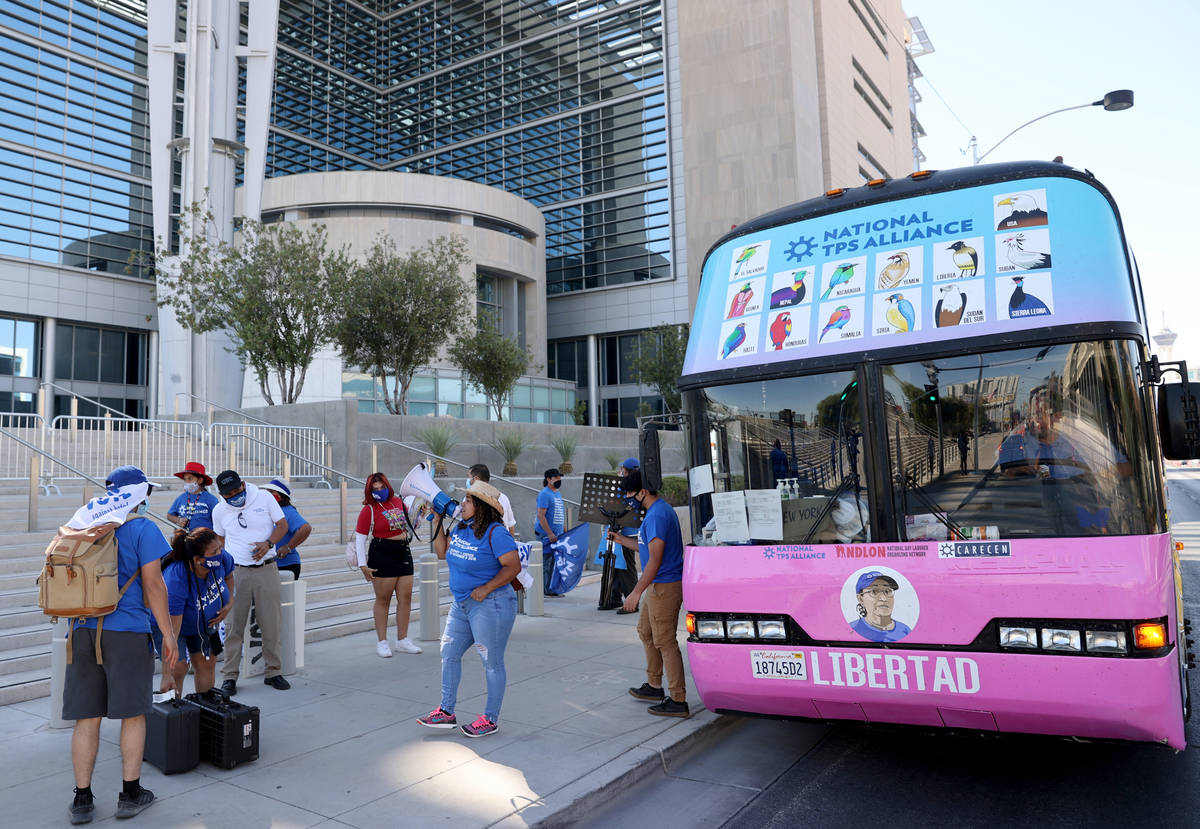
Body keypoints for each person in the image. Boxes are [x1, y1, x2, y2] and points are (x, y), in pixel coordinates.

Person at [64, 465, 177, 823]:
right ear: (138, 496)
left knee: (87, 717)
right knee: (132, 714)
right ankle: (130, 794)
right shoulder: (142, 527)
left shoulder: (82, 525)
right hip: (126, 631)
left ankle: (82, 799)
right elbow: (155, 586)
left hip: (81, 629)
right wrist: (168, 635)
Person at [417, 480, 520, 737]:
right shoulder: (462, 528)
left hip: (491, 605)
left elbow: (513, 566)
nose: (462, 504)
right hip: (461, 604)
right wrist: (436, 520)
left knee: (491, 662)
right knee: (448, 652)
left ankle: (490, 719)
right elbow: (442, 553)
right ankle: (446, 711)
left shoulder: (496, 533)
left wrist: (486, 588)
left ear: (482, 507)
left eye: (468, 501)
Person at [607, 470, 689, 718]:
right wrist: (622, 540)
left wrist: (635, 593)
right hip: (657, 585)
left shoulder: (656, 516)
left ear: (643, 492)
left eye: (631, 493)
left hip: (664, 585)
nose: (629, 498)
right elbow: (645, 547)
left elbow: (654, 561)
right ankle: (654, 686)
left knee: (665, 641)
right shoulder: (656, 512)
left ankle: (678, 700)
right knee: (646, 632)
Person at [212, 469, 291, 694]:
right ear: (222, 494)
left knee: (271, 623)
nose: (235, 495)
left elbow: (282, 525)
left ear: (244, 484)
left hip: (266, 568)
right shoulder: (219, 510)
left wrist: (268, 543)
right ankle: (229, 676)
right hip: (236, 572)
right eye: (229, 494)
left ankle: (273, 671)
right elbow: (221, 539)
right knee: (233, 625)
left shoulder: (264, 497)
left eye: (237, 490)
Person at [157, 527, 233, 697]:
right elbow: (171, 632)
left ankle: (206, 712)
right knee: (178, 667)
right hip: (173, 626)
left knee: (207, 663)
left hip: (203, 623)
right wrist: (165, 674)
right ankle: (175, 714)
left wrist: (229, 603)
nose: (221, 553)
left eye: (220, 548)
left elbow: (229, 576)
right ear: (198, 559)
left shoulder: (221, 558)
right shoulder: (176, 578)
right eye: (215, 551)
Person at [356, 472, 422, 657]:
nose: (379, 491)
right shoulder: (368, 509)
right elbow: (360, 539)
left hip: (403, 550)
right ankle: (382, 642)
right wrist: (363, 565)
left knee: (406, 597)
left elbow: (409, 525)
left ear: (387, 486)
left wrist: (421, 516)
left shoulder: (399, 502)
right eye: (375, 489)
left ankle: (402, 640)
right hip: (382, 552)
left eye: (382, 487)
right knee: (383, 599)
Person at [601, 457, 641, 614]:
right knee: (615, 565)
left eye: (623, 469)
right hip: (620, 530)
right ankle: (613, 597)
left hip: (627, 531)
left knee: (626, 566)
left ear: (626, 470)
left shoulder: (629, 485)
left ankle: (632, 602)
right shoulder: (629, 484)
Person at [261, 479, 311, 580]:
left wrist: (288, 547)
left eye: (271, 492)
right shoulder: (269, 510)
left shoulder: (288, 511)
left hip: (286, 565)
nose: (267, 495)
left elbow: (306, 528)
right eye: (267, 491)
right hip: (269, 565)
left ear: (280, 496)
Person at [850, 571, 912, 642]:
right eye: (874, 592)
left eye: (887, 591)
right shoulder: (851, 630)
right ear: (860, 598)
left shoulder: (905, 630)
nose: (884, 598)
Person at [535, 467, 565, 596]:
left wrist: (563, 531)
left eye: (559, 477)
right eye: (556, 477)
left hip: (556, 535)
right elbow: (541, 516)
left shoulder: (557, 493)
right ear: (548, 479)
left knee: (553, 562)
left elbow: (559, 513)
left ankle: (550, 587)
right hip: (546, 536)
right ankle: (545, 589)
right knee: (546, 563)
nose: (559, 480)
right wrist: (549, 533)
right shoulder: (544, 494)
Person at [166, 461, 219, 531]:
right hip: (186, 538)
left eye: (190, 478)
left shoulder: (211, 499)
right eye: (185, 479)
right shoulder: (181, 498)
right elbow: (169, 515)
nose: (186, 482)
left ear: (200, 480)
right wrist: (179, 520)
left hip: (206, 539)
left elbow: (219, 519)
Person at [467, 464, 516, 534]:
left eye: (468, 477)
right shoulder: (503, 497)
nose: (467, 481)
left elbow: (510, 524)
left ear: (476, 479)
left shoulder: (471, 498)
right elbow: (511, 525)